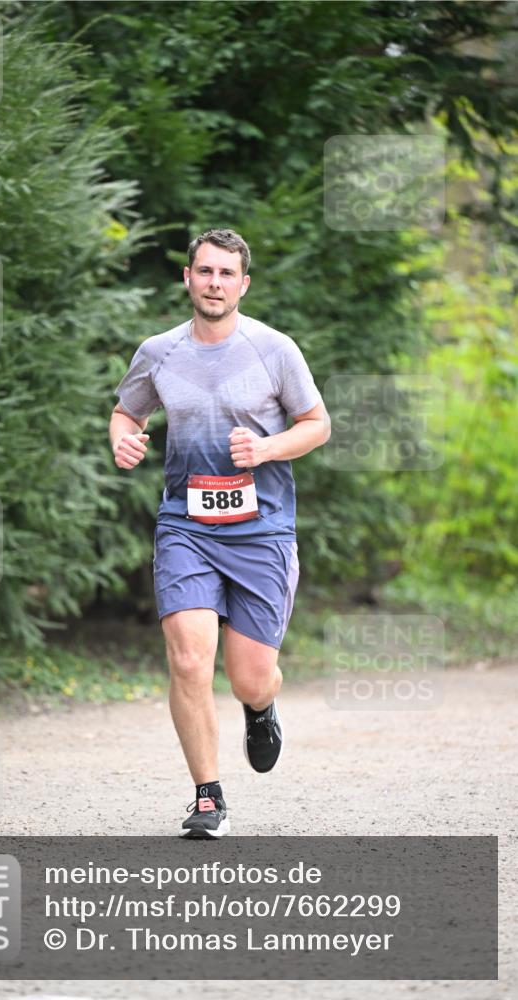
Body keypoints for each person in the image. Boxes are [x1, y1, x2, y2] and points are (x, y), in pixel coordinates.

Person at [109, 228, 330, 838]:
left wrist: (264, 448)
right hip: (186, 523)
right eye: (204, 272)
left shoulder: (274, 349)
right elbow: (127, 410)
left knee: (249, 676)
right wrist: (122, 439)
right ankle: (208, 796)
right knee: (188, 660)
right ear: (188, 278)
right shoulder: (159, 352)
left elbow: (316, 424)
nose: (214, 283)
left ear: (243, 283)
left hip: (261, 529)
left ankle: (260, 709)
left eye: (226, 274)